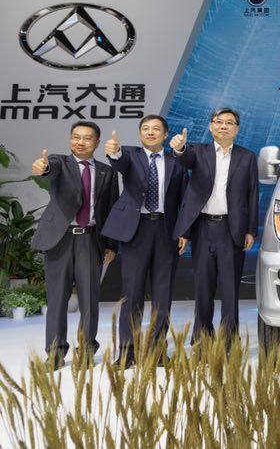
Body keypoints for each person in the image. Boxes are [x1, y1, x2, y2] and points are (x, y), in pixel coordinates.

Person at [31, 121, 118, 369]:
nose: (80, 142)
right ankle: (55, 353)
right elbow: (48, 169)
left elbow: (111, 209)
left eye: (87, 138)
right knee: (57, 300)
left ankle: (87, 350)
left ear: (97, 142)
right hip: (60, 240)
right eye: (76, 137)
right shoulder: (60, 162)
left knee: (90, 300)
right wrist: (43, 167)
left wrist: (111, 245)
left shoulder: (107, 172)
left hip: (90, 240)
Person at [102, 115, 188, 367]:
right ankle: (126, 352)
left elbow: (184, 199)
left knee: (163, 294)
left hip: (166, 230)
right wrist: (114, 151)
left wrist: (184, 232)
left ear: (165, 134)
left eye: (156, 129)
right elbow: (119, 162)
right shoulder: (130, 154)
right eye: (146, 129)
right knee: (132, 293)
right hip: (136, 230)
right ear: (140, 133)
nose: (150, 132)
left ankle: (158, 351)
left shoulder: (176, 162)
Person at [169, 108, 259, 344]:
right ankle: (202, 341)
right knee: (203, 288)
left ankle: (229, 343)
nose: (223, 126)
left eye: (229, 123)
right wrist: (179, 148)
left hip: (232, 229)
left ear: (237, 129)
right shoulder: (197, 151)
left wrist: (251, 230)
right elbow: (184, 158)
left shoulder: (247, 157)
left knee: (230, 290)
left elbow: (252, 194)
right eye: (218, 122)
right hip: (202, 228)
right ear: (211, 127)